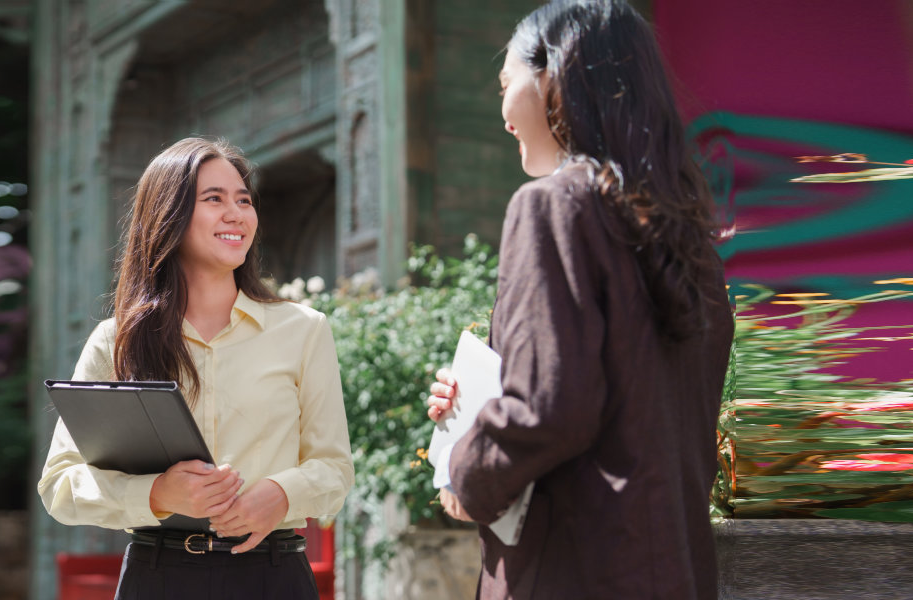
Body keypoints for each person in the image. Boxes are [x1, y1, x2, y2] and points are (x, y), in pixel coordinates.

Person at [422, 1, 734, 598]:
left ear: (553, 76)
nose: (502, 112)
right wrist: (482, 399)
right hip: (673, 567)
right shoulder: (690, 243)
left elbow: (548, 409)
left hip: (572, 568)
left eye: (505, 83)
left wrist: (466, 468)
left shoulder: (553, 207)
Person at [38, 137, 353, 600]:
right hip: (158, 578)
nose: (236, 214)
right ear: (169, 214)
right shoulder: (116, 339)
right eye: (214, 199)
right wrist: (158, 494)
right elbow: (60, 485)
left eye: (244, 200)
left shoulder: (303, 329)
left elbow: (335, 468)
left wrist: (282, 493)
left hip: (274, 576)